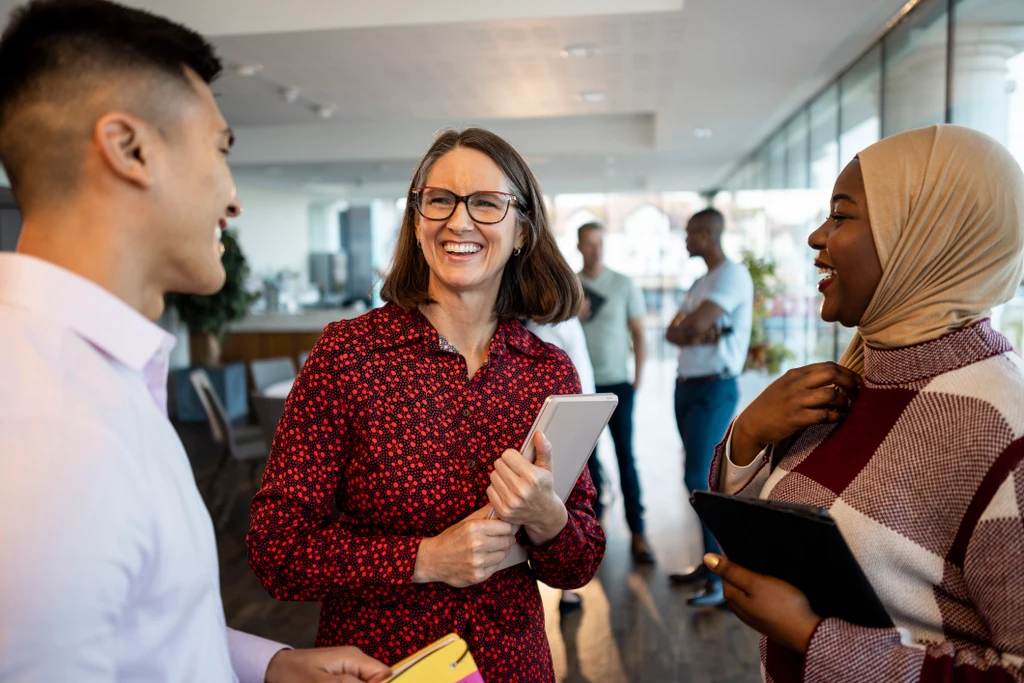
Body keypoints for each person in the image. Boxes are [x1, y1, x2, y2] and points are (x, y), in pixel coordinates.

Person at [0, 1, 392, 682]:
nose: (234, 198)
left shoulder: (100, 378)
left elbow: (143, 628)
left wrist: (269, 663)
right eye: (219, 147)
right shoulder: (49, 427)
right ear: (130, 149)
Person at [247, 128, 606, 683]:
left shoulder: (549, 371)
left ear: (521, 232)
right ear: (417, 222)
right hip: (381, 667)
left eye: (487, 203)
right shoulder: (349, 355)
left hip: (514, 664)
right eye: (440, 200)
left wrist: (547, 519)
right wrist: (424, 559)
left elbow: (580, 563)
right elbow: (277, 549)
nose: (459, 222)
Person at [701, 125, 1024, 683]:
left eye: (842, 216)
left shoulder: (1000, 430)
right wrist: (748, 436)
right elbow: (777, 528)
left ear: (923, 237)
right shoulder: (856, 376)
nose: (816, 237)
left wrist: (810, 637)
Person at [665, 208, 753, 606]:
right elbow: (674, 332)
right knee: (696, 476)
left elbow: (693, 327)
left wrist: (692, 329)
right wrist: (690, 329)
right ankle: (709, 563)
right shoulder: (702, 281)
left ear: (706, 234)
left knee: (700, 477)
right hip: (686, 387)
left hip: (713, 388)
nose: (685, 240)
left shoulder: (732, 275)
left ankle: (722, 578)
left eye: (688, 233)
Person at [577, 222, 655, 563]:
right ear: (579, 246)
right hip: (580, 388)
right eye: (590, 244)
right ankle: (592, 533)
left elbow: (638, 331)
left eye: (600, 244)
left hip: (617, 384)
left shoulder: (623, 284)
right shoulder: (570, 286)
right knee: (586, 463)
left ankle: (638, 532)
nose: (596, 250)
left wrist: (638, 376)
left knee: (626, 457)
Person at [523, 315, 601, 616]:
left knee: (570, 502)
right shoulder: (531, 328)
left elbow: (581, 378)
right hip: (560, 424)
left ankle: (569, 594)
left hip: (569, 424)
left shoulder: (556, 332)